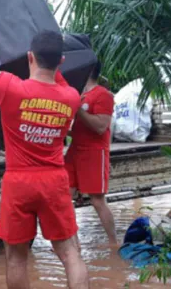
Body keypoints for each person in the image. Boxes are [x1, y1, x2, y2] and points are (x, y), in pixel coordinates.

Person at [0, 8, 89, 289]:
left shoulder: (10, 88)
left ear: (30, 57)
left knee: (16, 258)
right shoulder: (71, 98)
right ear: (61, 62)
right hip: (54, 182)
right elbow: (59, 80)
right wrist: (55, 63)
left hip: (19, 183)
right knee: (70, 253)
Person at [65, 61, 117, 245]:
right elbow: (79, 128)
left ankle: (113, 243)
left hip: (94, 153)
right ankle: (73, 243)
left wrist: (78, 109)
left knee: (97, 201)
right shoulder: (80, 95)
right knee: (64, 197)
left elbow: (101, 127)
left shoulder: (103, 95)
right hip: (74, 151)